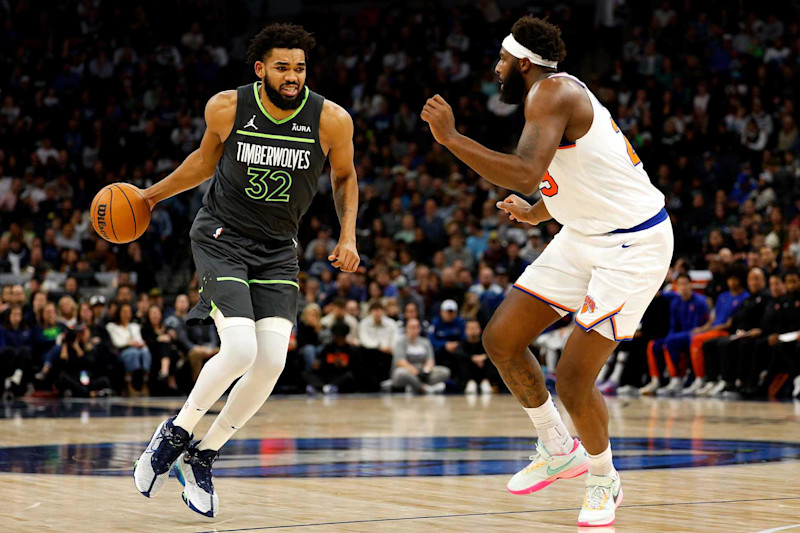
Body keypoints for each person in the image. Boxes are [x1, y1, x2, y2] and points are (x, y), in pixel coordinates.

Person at [421, 16, 673, 526]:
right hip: (583, 234)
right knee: (501, 339)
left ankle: (603, 478)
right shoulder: (552, 96)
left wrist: (449, 138)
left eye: (500, 61)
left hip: (632, 245)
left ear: (523, 63)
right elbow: (576, 172)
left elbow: (525, 172)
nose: (495, 70)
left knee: (574, 379)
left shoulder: (550, 93)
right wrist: (539, 211)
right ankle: (558, 447)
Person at [133, 23, 359, 518]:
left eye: (299, 68)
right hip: (221, 238)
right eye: (282, 67)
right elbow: (202, 162)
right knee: (239, 348)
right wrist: (151, 195)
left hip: (278, 249)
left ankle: (204, 453)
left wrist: (347, 235)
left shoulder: (332, 120)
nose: (292, 76)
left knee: (272, 362)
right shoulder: (227, 107)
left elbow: (344, 175)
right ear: (261, 70)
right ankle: (173, 434)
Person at [391, 318, 449, 394]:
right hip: (407, 371)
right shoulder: (400, 342)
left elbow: (430, 360)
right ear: (406, 328)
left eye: (416, 327)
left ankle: (414, 387)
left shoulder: (425, 342)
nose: (413, 330)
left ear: (419, 329)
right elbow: (401, 362)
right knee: (400, 373)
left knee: (445, 371)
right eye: (411, 327)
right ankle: (424, 388)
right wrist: (417, 373)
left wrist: (426, 371)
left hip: (422, 371)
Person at [106, 302, 151, 396]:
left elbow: (139, 340)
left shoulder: (134, 326)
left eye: (129, 312)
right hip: (121, 351)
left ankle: (144, 383)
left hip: (137, 349)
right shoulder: (112, 326)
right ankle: (130, 385)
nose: (127, 314)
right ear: (119, 313)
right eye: (124, 312)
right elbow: (117, 342)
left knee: (145, 351)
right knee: (133, 353)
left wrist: (139, 343)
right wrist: (130, 343)